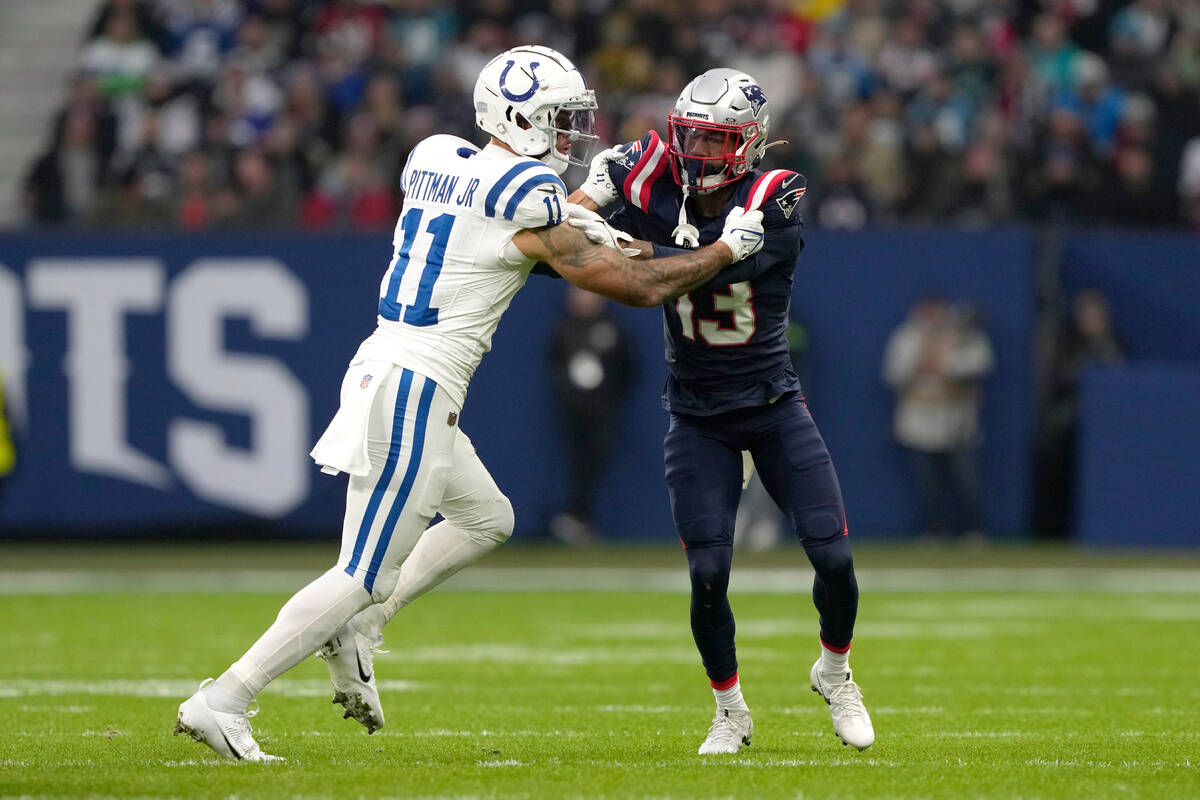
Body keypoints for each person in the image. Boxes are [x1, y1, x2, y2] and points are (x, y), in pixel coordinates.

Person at [174, 45, 767, 762]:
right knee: (360, 573)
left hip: (385, 366)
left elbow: (555, 234)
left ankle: (363, 625)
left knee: (487, 516)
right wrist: (725, 251)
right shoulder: (529, 196)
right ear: (517, 118)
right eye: (558, 121)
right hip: (417, 386)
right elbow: (637, 286)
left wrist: (603, 231)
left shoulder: (438, 158)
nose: (570, 135)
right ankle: (227, 696)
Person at [568, 69, 875, 755]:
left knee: (835, 557)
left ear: (747, 143)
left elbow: (727, 269)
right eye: (690, 136)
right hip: (697, 413)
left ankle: (835, 671)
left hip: (771, 402)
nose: (696, 152)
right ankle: (730, 711)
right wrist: (585, 201)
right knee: (708, 574)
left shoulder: (778, 190)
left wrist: (624, 247)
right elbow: (553, 252)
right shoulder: (647, 171)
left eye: (714, 140)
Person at [882, 296, 995, 542]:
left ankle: (975, 530)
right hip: (919, 421)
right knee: (928, 484)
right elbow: (894, 373)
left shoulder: (962, 334)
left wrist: (946, 364)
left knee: (965, 480)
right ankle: (936, 530)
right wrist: (924, 359)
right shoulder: (906, 337)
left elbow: (980, 364)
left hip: (955, 420)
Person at [548, 284, 636, 545]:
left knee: (595, 461)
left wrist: (609, 396)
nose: (583, 299)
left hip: (603, 412)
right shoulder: (564, 329)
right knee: (575, 463)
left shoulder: (612, 328)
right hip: (573, 413)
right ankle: (573, 517)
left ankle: (580, 517)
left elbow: (628, 369)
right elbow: (553, 367)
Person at [1034, 287, 1126, 537]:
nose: (1091, 319)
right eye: (1087, 313)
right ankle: (1053, 532)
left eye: (1096, 313)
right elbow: (1058, 378)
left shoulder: (1113, 340)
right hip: (1068, 423)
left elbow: (1124, 379)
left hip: (1105, 426)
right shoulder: (1066, 341)